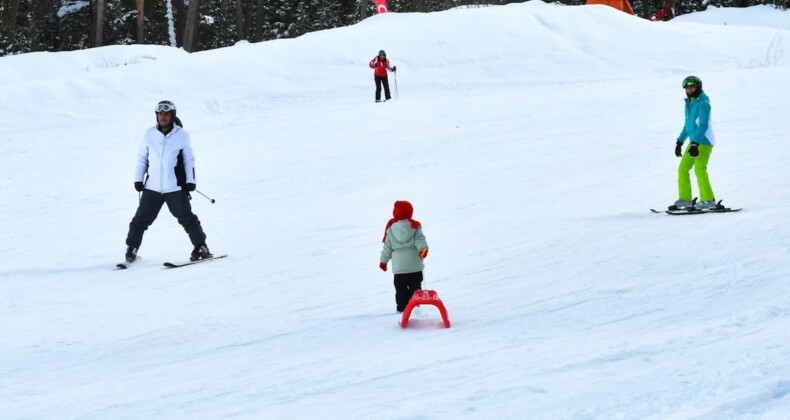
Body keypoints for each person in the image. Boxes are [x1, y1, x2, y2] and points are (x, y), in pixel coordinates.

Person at [123, 100, 212, 263]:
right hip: (152, 188)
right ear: (156, 115)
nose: (163, 117)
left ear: (172, 116)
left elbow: (189, 160)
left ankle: (201, 247)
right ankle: (132, 249)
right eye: (160, 114)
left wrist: (191, 180)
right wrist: (138, 179)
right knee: (139, 220)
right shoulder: (149, 134)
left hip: (175, 187)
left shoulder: (182, 136)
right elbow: (142, 158)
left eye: (166, 114)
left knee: (187, 218)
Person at [670, 76, 718, 210]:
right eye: (687, 88)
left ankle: (708, 200)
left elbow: (703, 125)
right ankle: (685, 199)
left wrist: (696, 144)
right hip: (694, 141)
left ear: (698, 87)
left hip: (704, 141)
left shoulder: (703, 104)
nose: (689, 90)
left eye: (692, 87)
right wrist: (679, 142)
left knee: (699, 168)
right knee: (683, 169)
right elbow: (688, 126)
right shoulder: (690, 103)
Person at [379, 201, 429, 313]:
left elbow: (387, 247)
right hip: (415, 266)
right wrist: (423, 249)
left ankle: (401, 310)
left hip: (399, 268)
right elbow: (420, 239)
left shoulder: (390, 228)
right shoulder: (415, 226)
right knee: (415, 289)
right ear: (410, 212)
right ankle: (415, 309)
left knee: (400, 290)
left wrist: (383, 261)